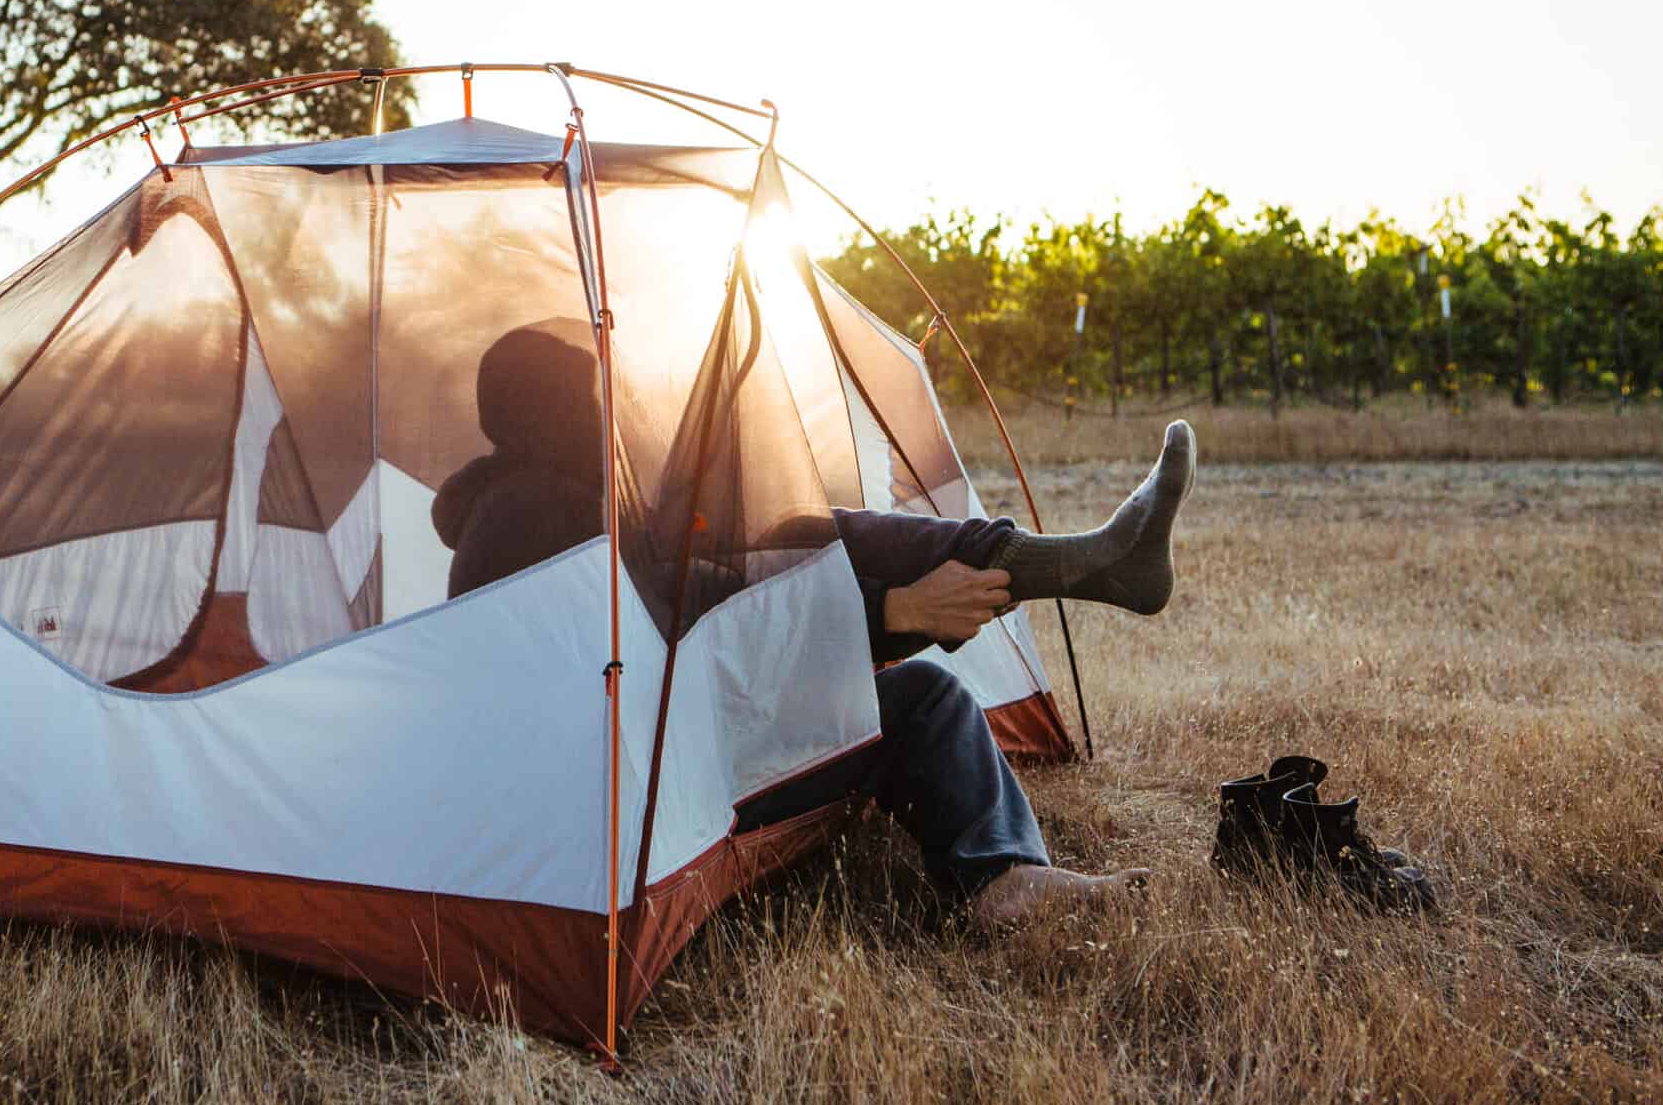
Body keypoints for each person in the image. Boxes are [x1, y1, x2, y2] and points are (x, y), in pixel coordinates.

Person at [431, 321, 1191, 928]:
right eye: (588, 399)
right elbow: (699, 621)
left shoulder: (537, 499)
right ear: (549, 413)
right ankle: (1002, 879)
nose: (608, 415)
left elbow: (689, 611)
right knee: (921, 696)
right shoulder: (536, 520)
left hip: (666, 748)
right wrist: (894, 613)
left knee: (799, 532)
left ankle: (1064, 563)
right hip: (641, 802)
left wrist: (845, 595)